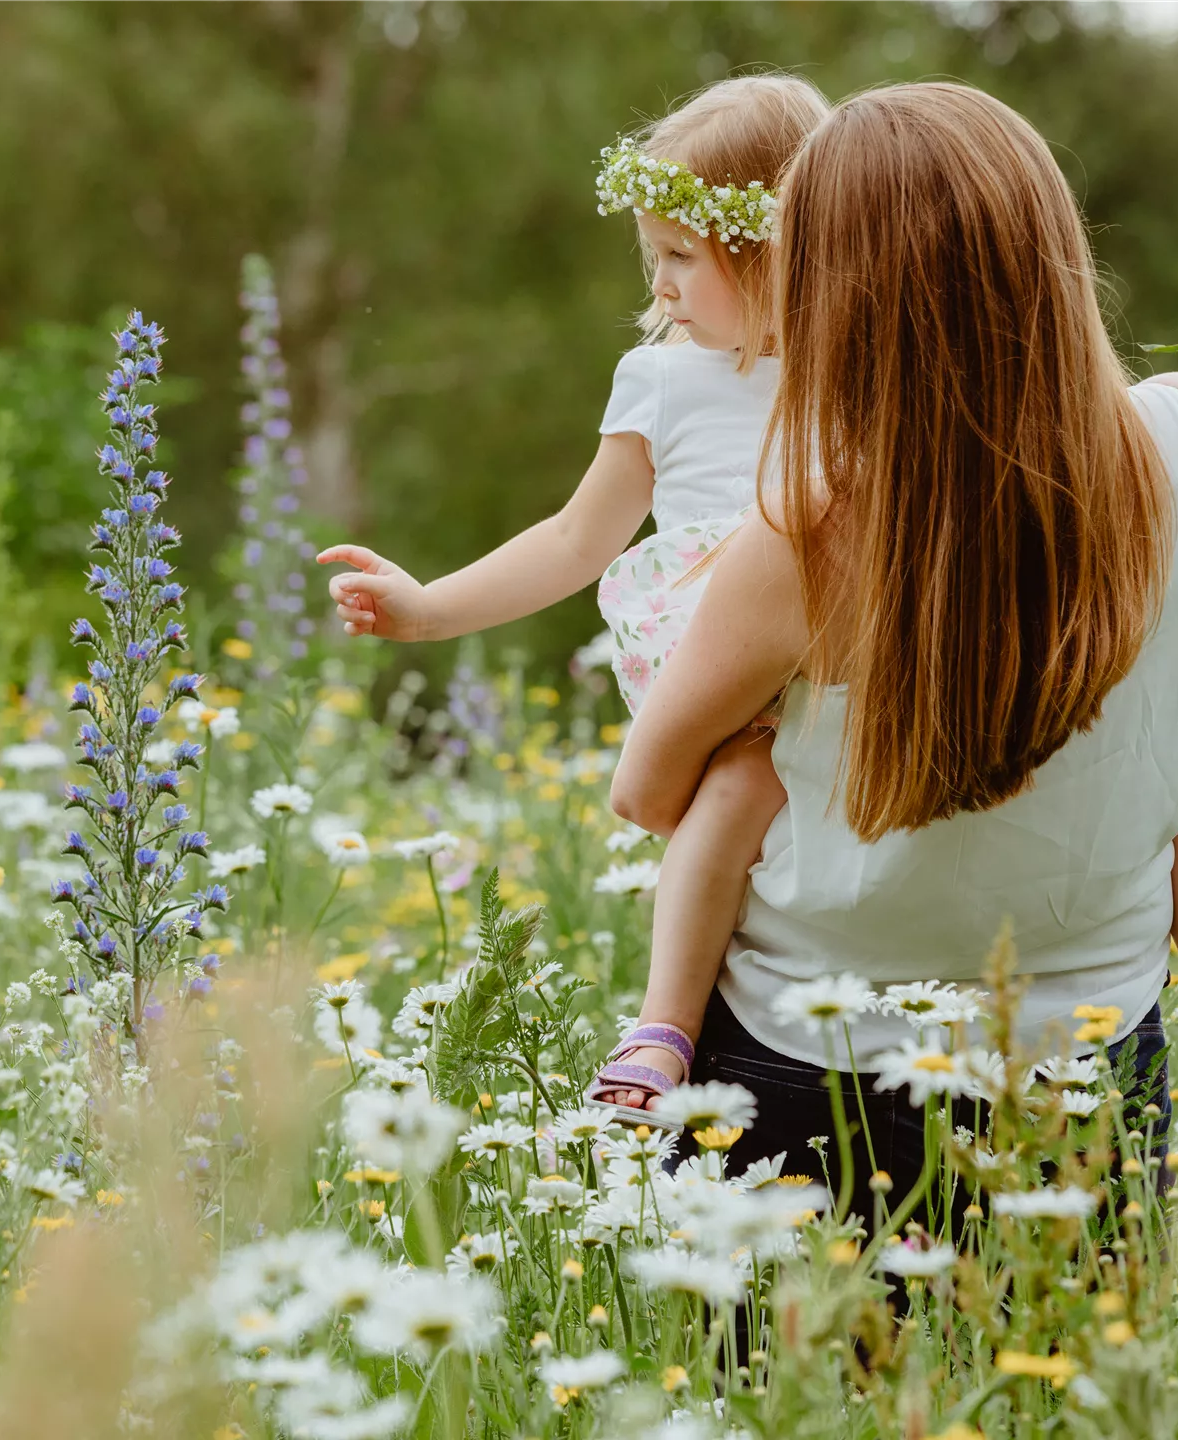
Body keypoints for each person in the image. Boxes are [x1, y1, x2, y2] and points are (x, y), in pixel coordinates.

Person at [607, 82, 1178, 1187]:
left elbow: (648, 792)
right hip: (1099, 1071)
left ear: (831, 294)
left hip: (817, 1076)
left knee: (776, 1373)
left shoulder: (814, 531)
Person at [318, 75, 830, 1116]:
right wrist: (425, 609)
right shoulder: (662, 382)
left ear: (774, 249)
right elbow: (574, 538)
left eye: (685, 256)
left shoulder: (862, 368)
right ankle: (666, 1025)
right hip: (721, 649)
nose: (666, 285)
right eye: (657, 260)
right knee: (738, 794)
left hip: (851, 638)